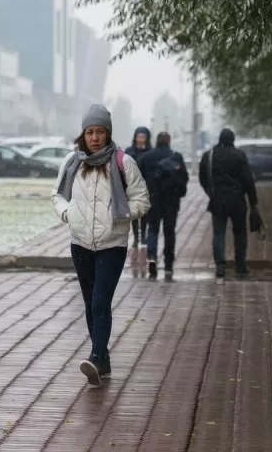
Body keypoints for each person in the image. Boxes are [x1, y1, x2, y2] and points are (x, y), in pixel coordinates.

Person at [52, 104, 150, 387]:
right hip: (80, 243)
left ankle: (95, 356)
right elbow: (57, 196)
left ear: (108, 133)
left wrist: (120, 214)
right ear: (83, 134)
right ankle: (103, 359)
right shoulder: (72, 162)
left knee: (100, 301)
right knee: (89, 301)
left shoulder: (122, 162)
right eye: (90, 132)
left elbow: (142, 200)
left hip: (112, 244)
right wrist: (67, 213)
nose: (95, 137)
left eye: (100, 132)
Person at [198, 128, 259, 279]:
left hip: (218, 200)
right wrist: (253, 202)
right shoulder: (239, 155)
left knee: (218, 233)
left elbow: (203, 177)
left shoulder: (210, 155)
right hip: (238, 200)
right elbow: (248, 180)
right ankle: (240, 265)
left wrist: (211, 193)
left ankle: (220, 266)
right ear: (232, 139)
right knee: (240, 233)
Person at [138, 132, 189, 280]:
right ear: (169, 141)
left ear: (156, 141)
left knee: (152, 229)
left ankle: (152, 257)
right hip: (171, 201)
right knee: (169, 232)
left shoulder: (146, 158)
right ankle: (168, 264)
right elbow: (184, 178)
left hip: (153, 199)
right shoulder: (176, 157)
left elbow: (137, 179)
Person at [123, 127, 152, 253]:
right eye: (138, 136)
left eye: (143, 136)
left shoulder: (151, 152)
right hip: (131, 186)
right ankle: (135, 238)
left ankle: (144, 237)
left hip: (146, 187)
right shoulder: (129, 151)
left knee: (144, 213)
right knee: (134, 213)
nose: (140, 139)